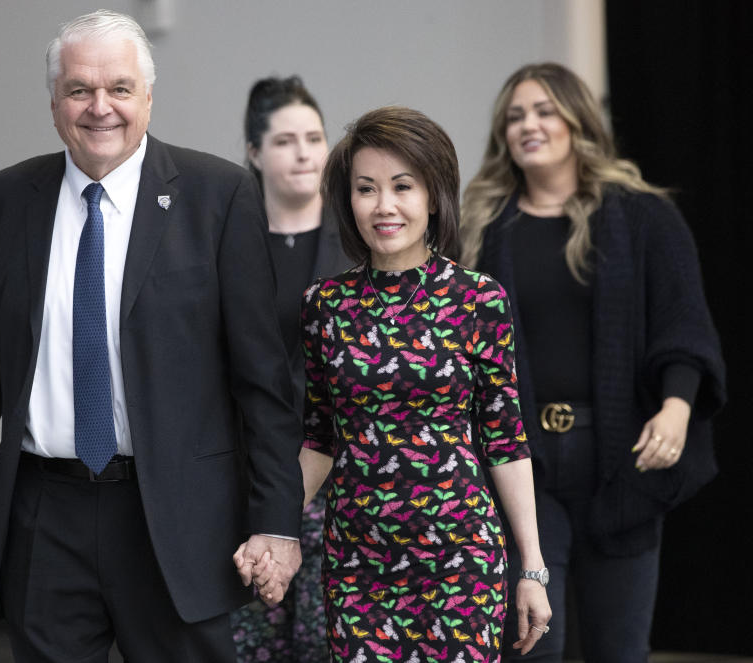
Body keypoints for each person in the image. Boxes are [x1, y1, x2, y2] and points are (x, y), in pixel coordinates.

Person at [0, 10, 305, 662]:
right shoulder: (6, 200)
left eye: (119, 88)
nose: (101, 107)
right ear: (54, 102)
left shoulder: (220, 197)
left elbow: (263, 383)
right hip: (45, 514)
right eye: (79, 90)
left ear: (148, 97)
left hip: (178, 520)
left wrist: (275, 522)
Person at [459, 62, 726, 662]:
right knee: (535, 648)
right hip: (522, 469)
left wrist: (677, 408)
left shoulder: (643, 216)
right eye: (514, 116)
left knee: (619, 650)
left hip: (623, 463)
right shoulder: (481, 225)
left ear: (577, 119)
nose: (528, 124)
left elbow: (683, 321)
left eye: (544, 110)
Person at [292, 106, 551, 662]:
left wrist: (531, 566)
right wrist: (275, 530)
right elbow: (319, 437)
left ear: (433, 196)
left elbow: (506, 440)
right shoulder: (325, 306)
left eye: (402, 187)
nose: (384, 206)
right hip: (358, 565)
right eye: (366, 189)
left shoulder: (478, 299)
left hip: (461, 561)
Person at [231, 75, 348, 663]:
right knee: (253, 640)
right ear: (254, 152)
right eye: (285, 141)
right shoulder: (227, 238)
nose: (304, 152)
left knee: (326, 641)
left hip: (342, 474)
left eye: (314, 137)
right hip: (250, 471)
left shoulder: (360, 241)